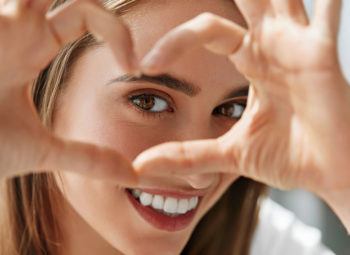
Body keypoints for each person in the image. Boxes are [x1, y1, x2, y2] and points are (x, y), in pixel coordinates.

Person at [0, 0, 347, 255]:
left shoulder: (262, 244)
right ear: (37, 85)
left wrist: (342, 177)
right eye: (148, 101)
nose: (199, 177)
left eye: (233, 108)